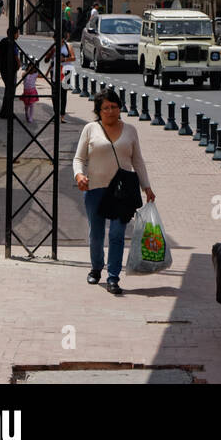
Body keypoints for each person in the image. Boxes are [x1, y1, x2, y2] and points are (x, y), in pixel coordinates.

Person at [73, 88, 154, 295]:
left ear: (120, 108)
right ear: (98, 111)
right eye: (105, 108)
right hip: (95, 190)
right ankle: (96, 267)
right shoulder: (90, 129)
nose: (110, 111)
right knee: (97, 234)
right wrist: (79, 175)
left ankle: (113, 277)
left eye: (114, 107)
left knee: (117, 234)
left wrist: (147, 187)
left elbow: (138, 160)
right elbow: (79, 159)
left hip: (122, 193)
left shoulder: (130, 131)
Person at [0, 27, 21, 120]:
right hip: (10, 70)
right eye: (17, 33)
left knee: (8, 90)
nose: (18, 35)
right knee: (10, 91)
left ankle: (5, 111)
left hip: (3, 69)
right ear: (14, 34)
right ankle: (6, 112)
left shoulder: (3, 42)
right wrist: (18, 64)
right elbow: (15, 56)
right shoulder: (12, 43)